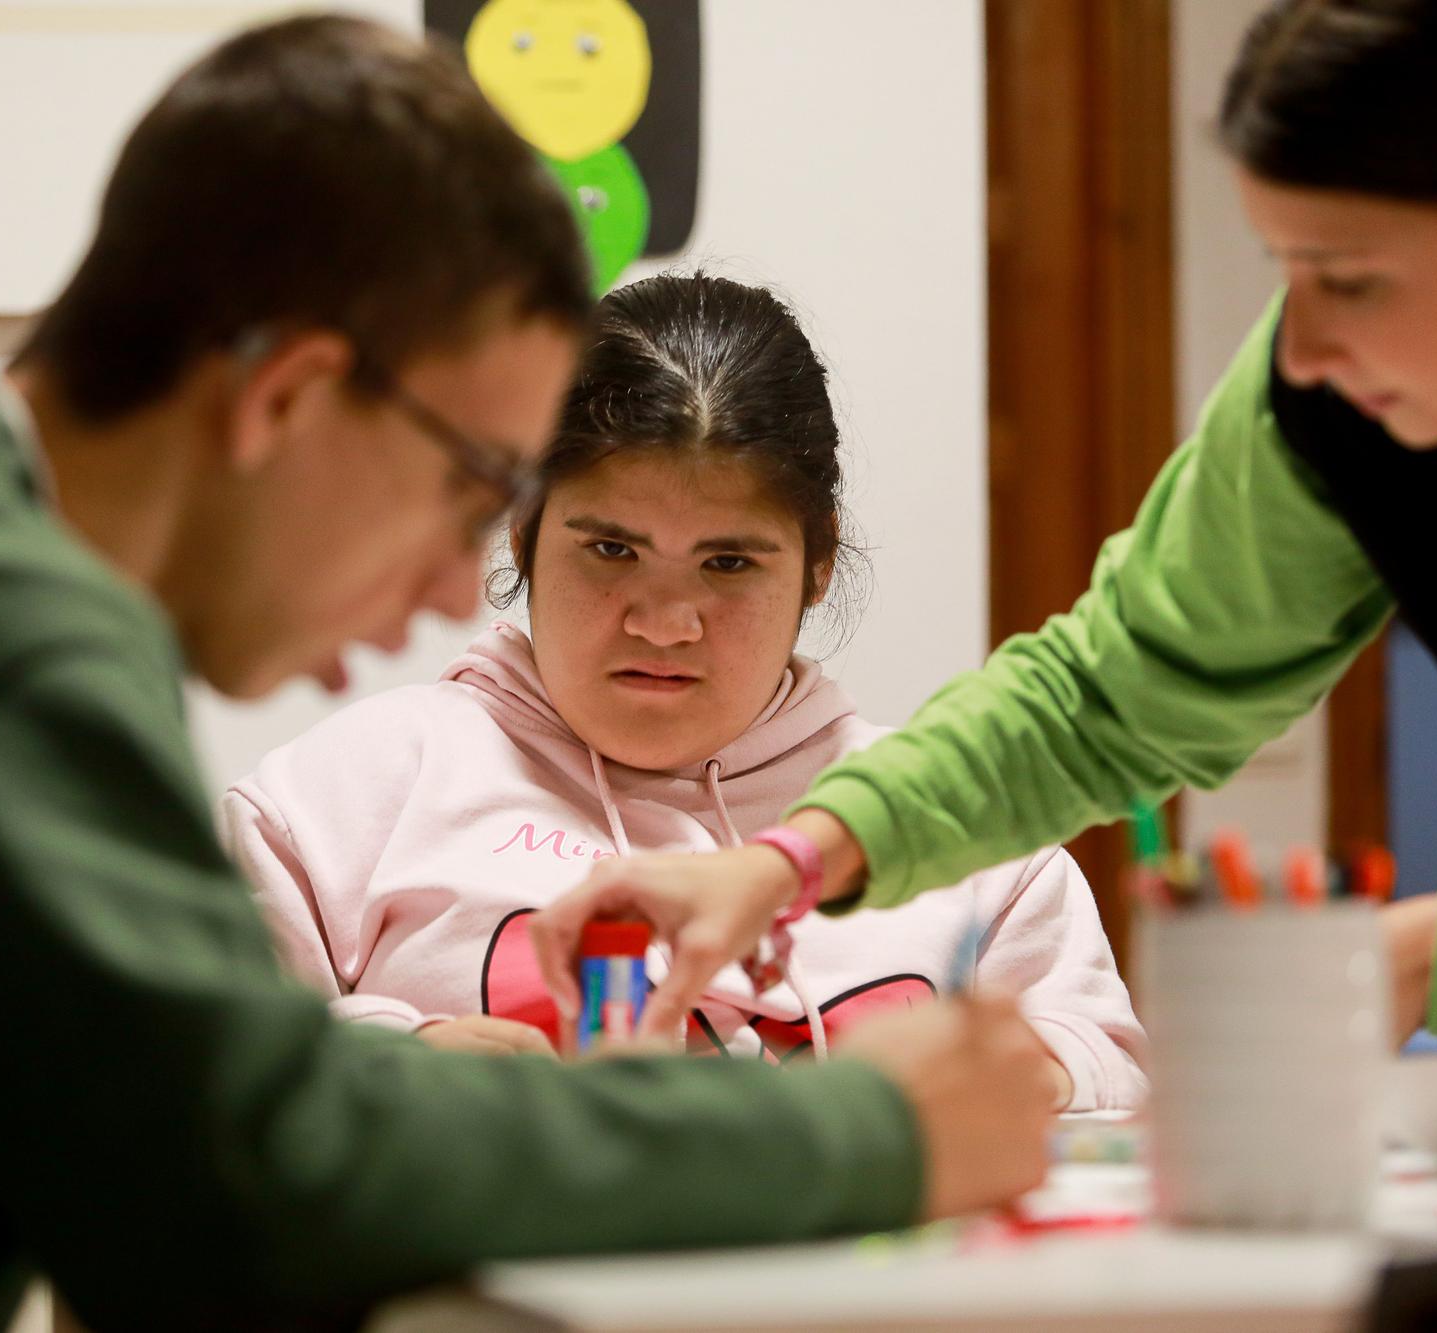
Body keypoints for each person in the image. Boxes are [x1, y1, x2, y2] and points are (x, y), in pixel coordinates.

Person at [0, 16, 1056, 1330]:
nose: (458, 587)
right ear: (288, 397)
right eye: (467, 491)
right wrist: (866, 1134)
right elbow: (247, 1180)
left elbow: (200, 1109)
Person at [534, 0, 1437, 1063]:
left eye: (1348, 279)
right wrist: (789, 862)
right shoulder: (1335, 405)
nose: (1295, 351)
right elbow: (1100, 699)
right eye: (1283, 271)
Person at [225, 273, 1148, 1106]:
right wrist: (397, 1054)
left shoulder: (958, 835)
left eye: (730, 562)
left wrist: (989, 1075)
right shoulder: (338, 801)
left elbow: (1110, 1070)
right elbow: (206, 1070)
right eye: (612, 549)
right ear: (522, 530)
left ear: (818, 563)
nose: (665, 621)